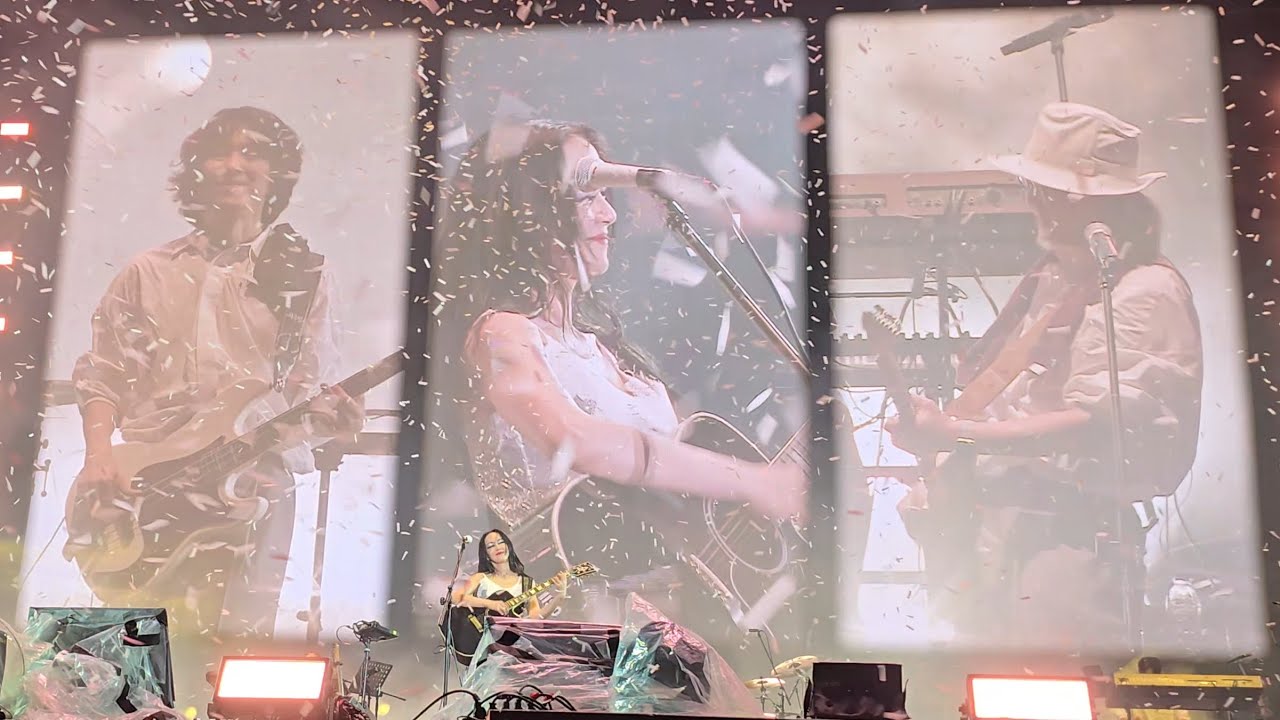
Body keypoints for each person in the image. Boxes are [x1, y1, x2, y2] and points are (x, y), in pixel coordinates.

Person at [430, 119, 805, 639]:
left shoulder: (603, 346)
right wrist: (753, 480)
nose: (609, 214)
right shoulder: (500, 333)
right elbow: (572, 440)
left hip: (671, 617)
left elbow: (665, 495)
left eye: (607, 197)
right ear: (530, 214)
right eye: (587, 197)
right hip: (572, 623)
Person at [885, 102, 1203, 646]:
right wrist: (944, 439)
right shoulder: (1057, 280)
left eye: (1040, 189)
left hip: (1068, 535)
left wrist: (959, 434)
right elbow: (1017, 399)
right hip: (1005, 526)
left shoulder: (1143, 291)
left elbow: (1091, 423)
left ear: (1077, 201)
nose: (1030, 201)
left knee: (1054, 686)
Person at [68, 106, 364, 638]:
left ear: (277, 175)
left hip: (249, 483)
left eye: (253, 152)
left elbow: (307, 391)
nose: (234, 164)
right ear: (195, 170)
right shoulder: (146, 271)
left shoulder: (307, 277)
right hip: (142, 487)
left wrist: (332, 424)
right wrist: (97, 458)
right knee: (141, 652)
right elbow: (102, 373)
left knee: (234, 652)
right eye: (219, 151)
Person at [453, 529, 567, 620]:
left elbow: (535, 618)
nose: (497, 547)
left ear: (508, 546)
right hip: (480, 642)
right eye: (491, 546)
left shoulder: (527, 583)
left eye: (501, 542)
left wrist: (560, 596)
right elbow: (456, 597)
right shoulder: (480, 578)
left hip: (509, 643)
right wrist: (490, 604)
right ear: (486, 555)